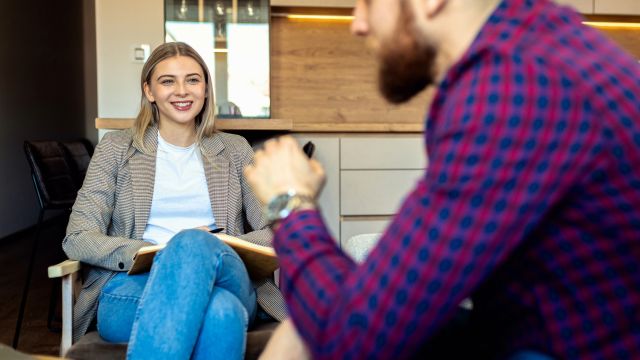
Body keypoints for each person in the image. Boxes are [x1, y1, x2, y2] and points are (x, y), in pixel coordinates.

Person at [245, 0, 640, 358]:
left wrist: (288, 203)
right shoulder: (536, 47)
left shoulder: (512, 88)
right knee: (307, 325)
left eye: (366, 3)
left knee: (326, 329)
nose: (358, 24)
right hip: (544, 328)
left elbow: (355, 338)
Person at [62, 42, 286, 360]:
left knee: (196, 244)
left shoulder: (235, 150)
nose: (182, 91)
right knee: (220, 312)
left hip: (226, 275)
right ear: (149, 91)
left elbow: (275, 230)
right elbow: (78, 238)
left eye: (192, 80)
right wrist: (154, 253)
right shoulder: (115, 149)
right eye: (168, 81)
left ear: (206, 89)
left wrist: (214, 245)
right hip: (133, 285)